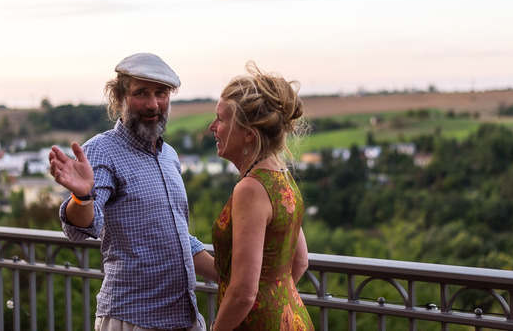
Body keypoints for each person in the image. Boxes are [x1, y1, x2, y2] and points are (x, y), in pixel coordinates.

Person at [49, 52, 217, 331]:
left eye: (161, 93)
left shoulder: (169, 155)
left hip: (183, 318)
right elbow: (81, 228)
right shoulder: (102, 151)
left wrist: (232, 278)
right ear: (119, 98)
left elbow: (176, 237)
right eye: (141, 93)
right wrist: (82, 197)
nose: (153, 104)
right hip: (132, 319)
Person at [208, 62, 314, 330]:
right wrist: (275, 301)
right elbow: (300, 262)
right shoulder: (282, 178)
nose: (212, 126)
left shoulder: (251, 189)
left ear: (248, 133)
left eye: (221, 119)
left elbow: (243, 293)